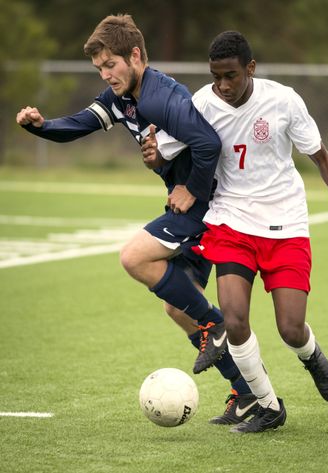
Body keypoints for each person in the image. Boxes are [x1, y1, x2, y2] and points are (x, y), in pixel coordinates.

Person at [15, 16, 260, 425]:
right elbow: (78, 125)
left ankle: (216, 326)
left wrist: (191, 190)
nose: (106, 74)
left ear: (135, 55)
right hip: (194, 207)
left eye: (111, 64)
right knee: (177, 307)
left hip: (207, 207)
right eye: (99, 68)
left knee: (134, 258)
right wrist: (42, 128)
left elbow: (208, 143)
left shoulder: (159, 98)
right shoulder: (122, 99)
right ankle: (248, 394)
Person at [141, 31, 328, 433]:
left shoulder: (284, 100)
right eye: (216, 76)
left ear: (250, 69)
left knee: (290, 328)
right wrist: (151, 155)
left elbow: (322, 158)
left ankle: (311, 355)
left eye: (231, 76)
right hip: (231, 222)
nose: (223, 85)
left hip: (286, 225)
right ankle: (268, 406)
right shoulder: (202, 103)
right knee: (234, 321)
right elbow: (164, 150)